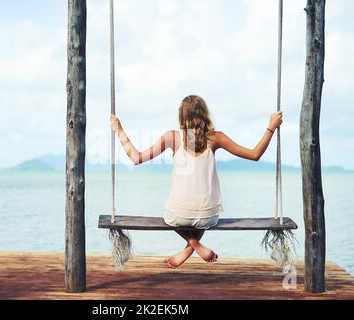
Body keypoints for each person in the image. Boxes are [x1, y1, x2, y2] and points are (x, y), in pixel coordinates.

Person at [110, 95, 283, 268]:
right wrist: (271, 127)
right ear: (204, 115)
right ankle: (193, 246)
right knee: (201, 210)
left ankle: (192, 245)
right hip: (208, 218)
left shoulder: (172, 137)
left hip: (178, 216)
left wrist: (119, 130)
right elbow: (255, 154)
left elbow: (136, 157)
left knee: (170, 215)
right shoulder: (216, 138)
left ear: (181, 117)